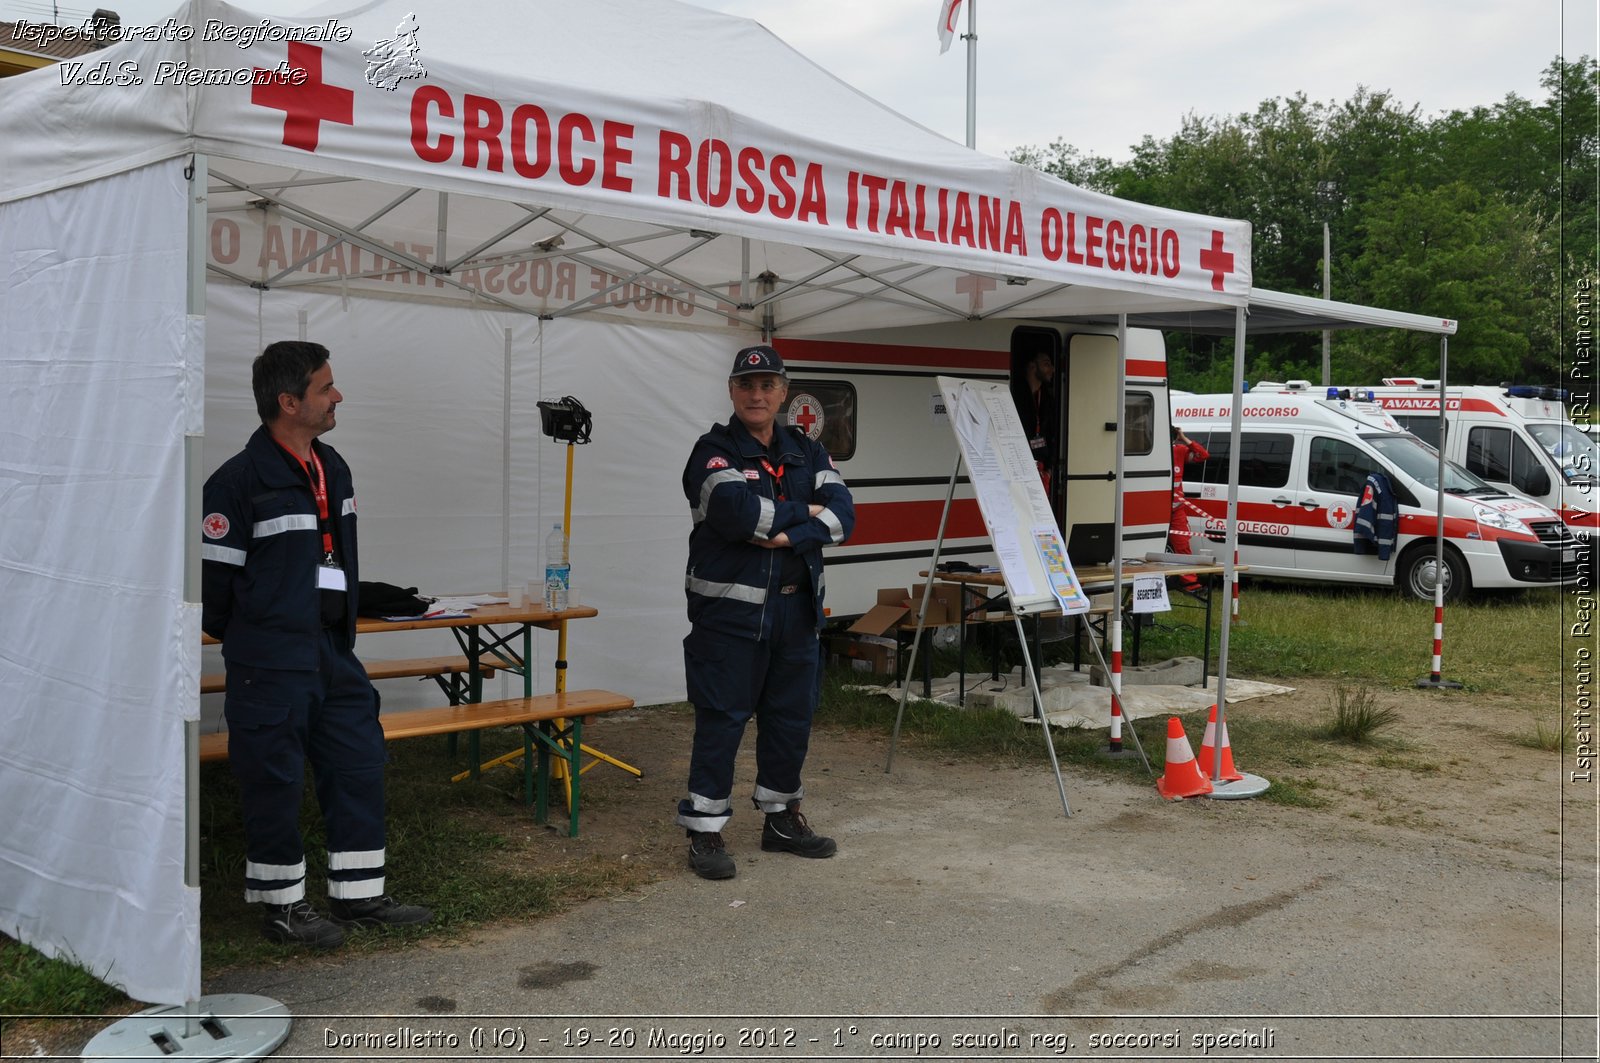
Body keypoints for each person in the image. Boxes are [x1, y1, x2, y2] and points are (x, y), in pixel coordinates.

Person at [200, 341, 431, 947]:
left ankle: (359, 895)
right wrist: (262, 636)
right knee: (272, 778)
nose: (338, 396)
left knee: (358, 762)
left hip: (333, 651)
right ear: (288, 402)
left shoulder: (336, 467)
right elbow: (215, 591)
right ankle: (283, 907)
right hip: (270, 661)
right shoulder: (235, 483)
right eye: (326, 388)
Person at [676, 344, 855, 880]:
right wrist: (808, 515)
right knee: (723, 719)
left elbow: (845, 517)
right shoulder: (711, 451)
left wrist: (784, 528)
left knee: (790, 721)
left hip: (797, 615)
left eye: (768, 386)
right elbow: (735, 513)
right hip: (729, 618)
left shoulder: (807, 449)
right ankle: (705, 832)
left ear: (782, 393)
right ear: (732, 391)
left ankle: (780, 819)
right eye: (747, 385)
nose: (757, 395)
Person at [1169, 424, 1210, 594]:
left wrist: (1184, 438)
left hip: (1175, 510)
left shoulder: (1179, 451)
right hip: (1154, 511)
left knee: (1183, 546)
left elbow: (1203, 455)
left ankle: (1190, 585)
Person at [1017, 351, 1058, 490]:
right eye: (1046, 364)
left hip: (1041, 468)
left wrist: (1049, 469)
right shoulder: (1016, 395)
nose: (1052, 369)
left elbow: (1053, 434)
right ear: (1032, 366)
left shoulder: (1048, 398)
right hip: (1019, 468)